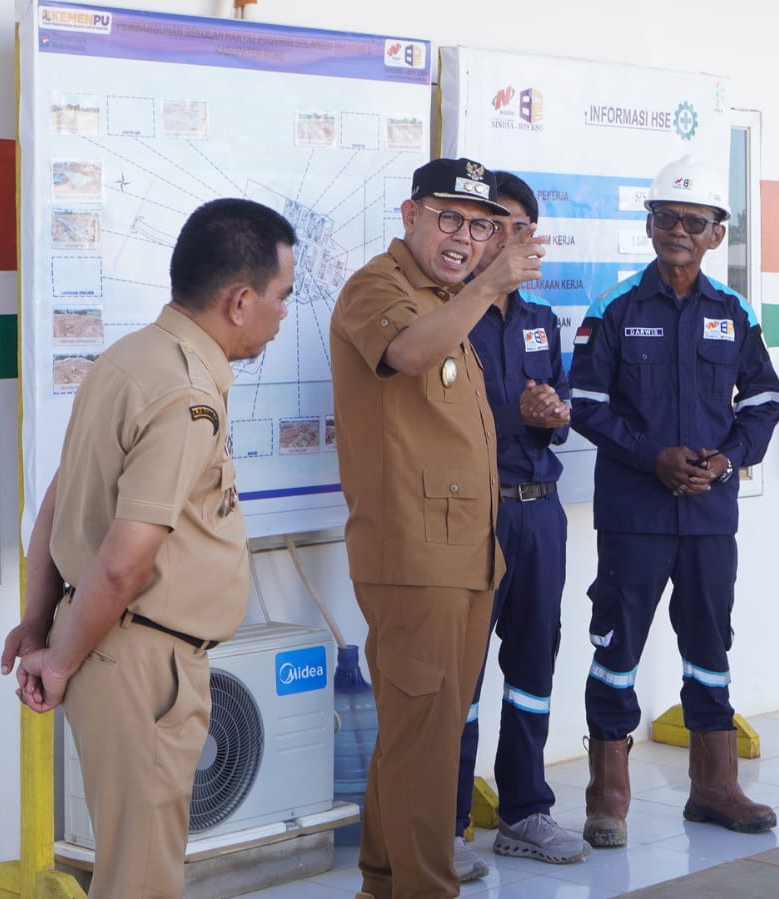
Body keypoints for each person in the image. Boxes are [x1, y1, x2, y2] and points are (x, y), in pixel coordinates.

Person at [0, 198, 297, 899]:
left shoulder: (129, 359)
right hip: (142, 659)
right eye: (281, 297)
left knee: (133, 866)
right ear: (240, 300)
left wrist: (40, 624)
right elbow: (124, 562)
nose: (284, 315)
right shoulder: (185, 394)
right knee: (141, 878)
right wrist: (57, 659)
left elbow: (58, 501)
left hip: (113, 645)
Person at [330, 157, 545, 899]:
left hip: (465, 552)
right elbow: (407, 353)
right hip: (414, 554)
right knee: (425, 746)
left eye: (482, 227)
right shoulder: (378, 287)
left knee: (418, 734)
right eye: (449, 218)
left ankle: (382, 883)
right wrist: (488, 285)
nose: (464, 238)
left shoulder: (448, 298)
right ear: (410, 216)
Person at [569, 155, 779, 848]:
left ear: (717, 233)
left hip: (710, 515)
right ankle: (607, 798)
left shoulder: (734, 312)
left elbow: (764, 397)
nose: (678, 231)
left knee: (709, 646)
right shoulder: (614, 308)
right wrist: (650, 456)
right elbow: (585, 402)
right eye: (666, 218)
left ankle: (714, 786)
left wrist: (730, 458)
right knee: (617, 646)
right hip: (635, 514)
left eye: (694, 221)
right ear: (649, 225)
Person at [451, 172, 589, 880]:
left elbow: (555, 406)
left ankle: (524, 811)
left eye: (518, 228)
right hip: (474, 513)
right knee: (461, 672)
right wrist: (518, 414)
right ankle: (446, 822)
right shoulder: (449, 316)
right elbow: (443, 423)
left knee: (533, 663)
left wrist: (554, 413)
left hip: (540, 512)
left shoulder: (540, 319)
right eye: (492, 225)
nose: (506, 239)